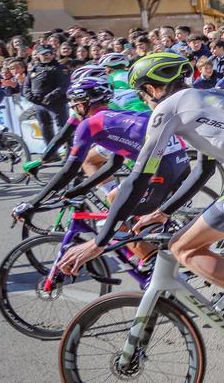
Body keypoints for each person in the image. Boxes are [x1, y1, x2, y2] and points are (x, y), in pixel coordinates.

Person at [56, 52, 224, 361]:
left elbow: (138, 179)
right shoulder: (209, 96)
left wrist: (99, 243)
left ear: (153, 89)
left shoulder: (167, 108)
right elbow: (204, 169)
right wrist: (164, 211)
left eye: (143, 94)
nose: (146, 102)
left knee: (184, 247)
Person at [13, 79, 191, 264]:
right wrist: (80, 189)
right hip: (180, 166)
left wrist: (32, 203)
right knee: (119, 201)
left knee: (113, 221)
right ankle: (159, 259)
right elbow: (113, 164)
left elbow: (68, 171)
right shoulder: (116, 116)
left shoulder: (89, 125)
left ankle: (154, 267)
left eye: (75, 106)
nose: (74, 111)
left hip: (162, 172)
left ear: (82, 103)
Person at [25, 45, 70, 149]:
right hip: (39, 104)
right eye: (44, 54)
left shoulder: (60, 68)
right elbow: (26, 85)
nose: (47, 56)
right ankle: (51, 153)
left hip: (56, 103)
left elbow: (64, 86)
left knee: (63, 128)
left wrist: (50, 96)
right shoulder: (34, 69)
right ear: (38, 55)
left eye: (49, 54)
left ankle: (69, 153)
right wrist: (31, 97)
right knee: (45, 127)